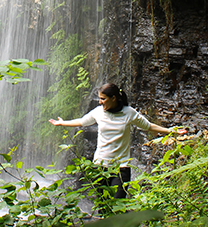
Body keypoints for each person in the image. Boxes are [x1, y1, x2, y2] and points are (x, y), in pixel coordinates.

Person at [48, 82, 187, 199]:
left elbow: (149, 126)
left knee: (118, 202)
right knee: (103, 203)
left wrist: (171, 131)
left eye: (103, 99)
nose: (100, 102)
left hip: (121, 166)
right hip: (100, 165)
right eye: (99, 99)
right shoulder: (98, 112)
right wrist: (62, 123)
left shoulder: (129, 113)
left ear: (113, 98)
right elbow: (82, 122)